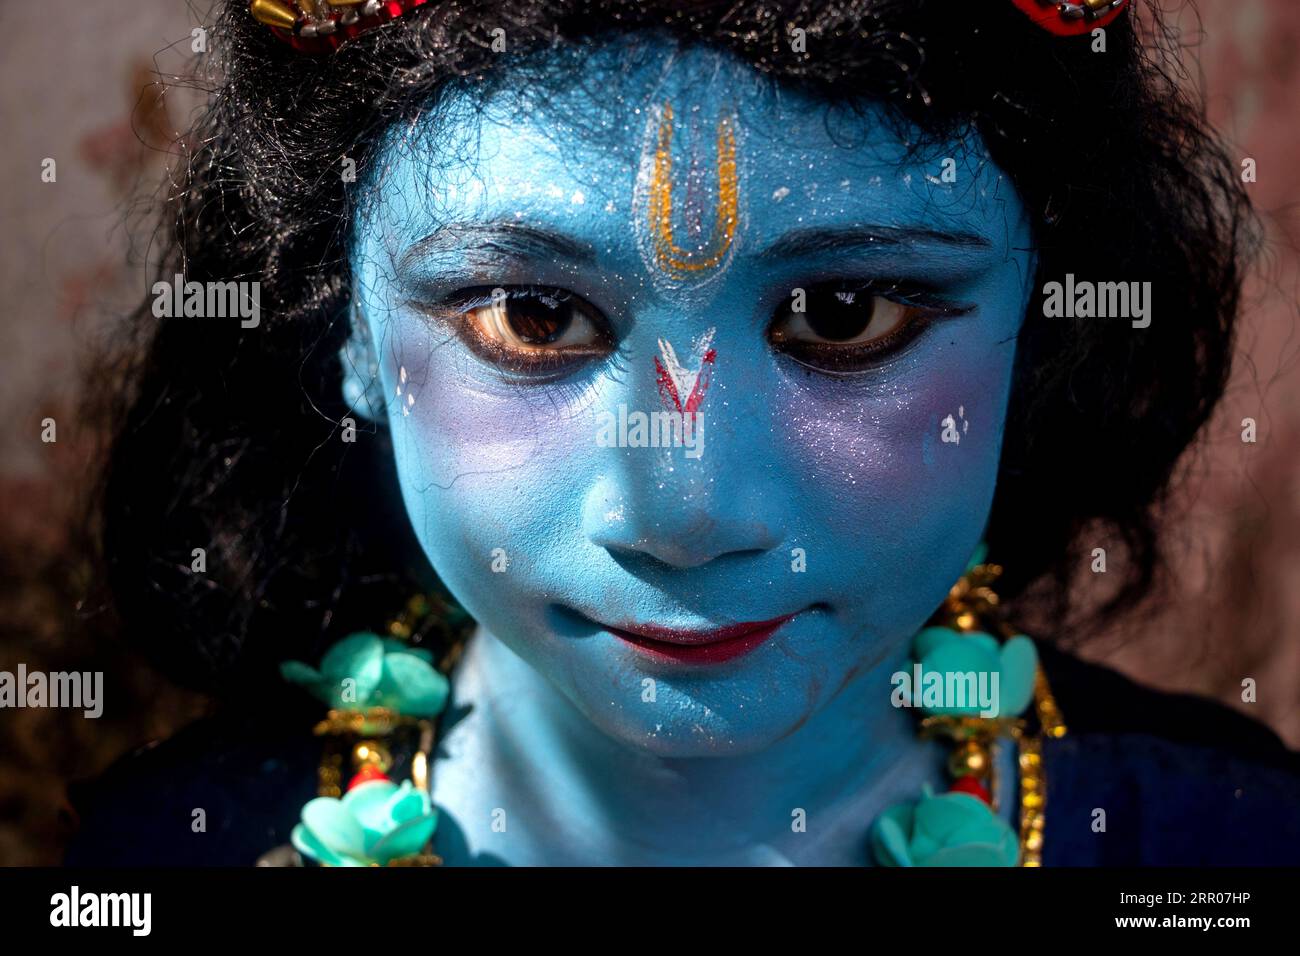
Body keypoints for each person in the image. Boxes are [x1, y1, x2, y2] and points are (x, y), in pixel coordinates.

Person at [65, 0, 1299, 866]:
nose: (686, 514)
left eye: (842, 313)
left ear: (1043, 317)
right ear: (347, 329)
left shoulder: (1224, 844)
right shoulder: (176, 853)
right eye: (534, 315)